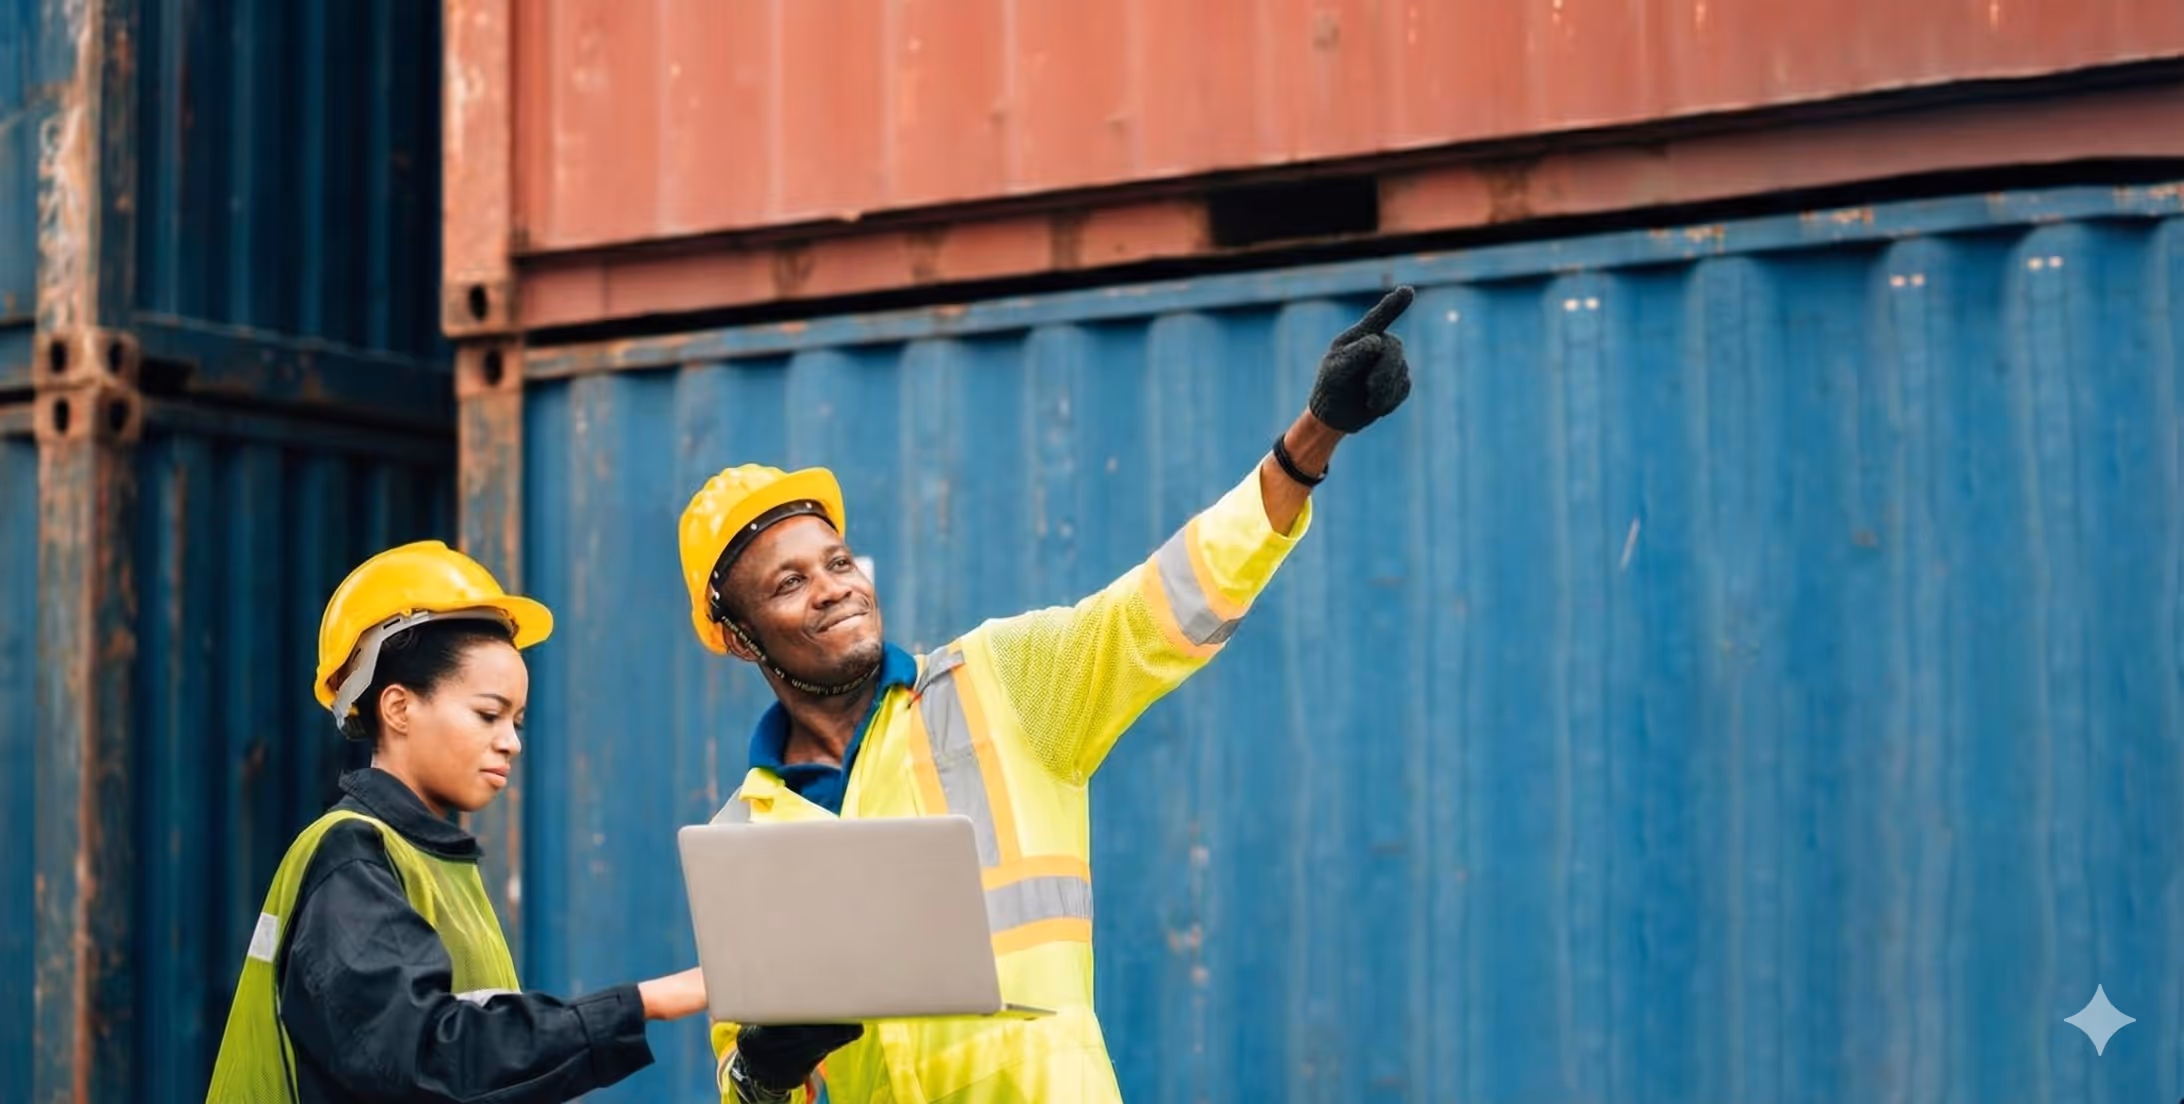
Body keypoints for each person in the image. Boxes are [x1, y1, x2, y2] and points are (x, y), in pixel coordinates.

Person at [676, 287, 1419, 1104]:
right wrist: (760, 1071)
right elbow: (748, 1088)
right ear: (741, 638)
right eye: (790, 583)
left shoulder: (1002, 682)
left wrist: (1310, 441)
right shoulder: (741, 838)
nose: (834, 589)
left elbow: (1164, 603)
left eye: (840, 562)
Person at [205, 540, 711, 1103]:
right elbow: (426, 1058)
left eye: (517, 720)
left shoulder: (433, 863)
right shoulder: (351, 858)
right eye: (488, 714)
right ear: (398, 708)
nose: (512, 742)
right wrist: (649, 1002)